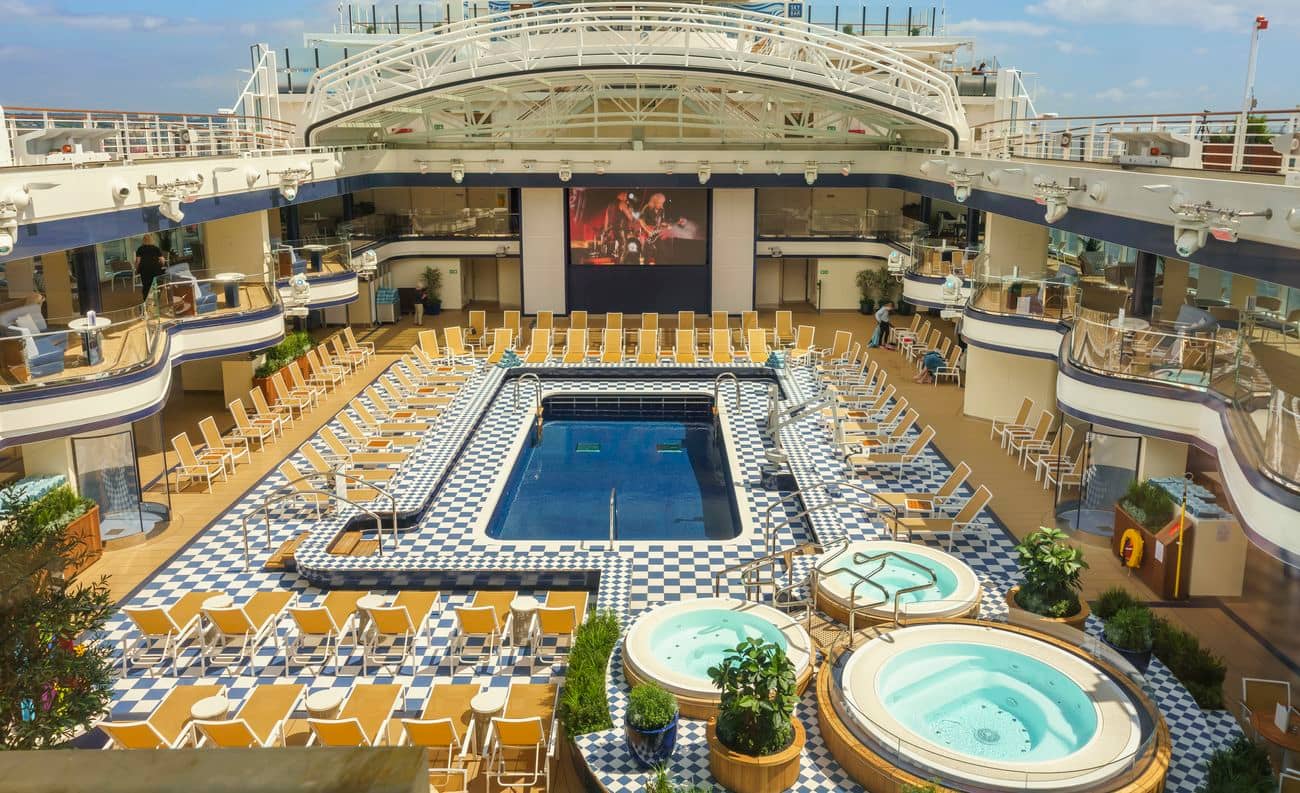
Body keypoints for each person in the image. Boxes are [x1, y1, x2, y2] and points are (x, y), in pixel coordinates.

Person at [135, 234, 165, 301]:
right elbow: (162, 260)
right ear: (152, 240)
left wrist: (137, 270)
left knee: (146, 285)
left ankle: (146, 299)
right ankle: (156, 299)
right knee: (157, 284)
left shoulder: (140, 249)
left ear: (143, 240)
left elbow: (138, 261)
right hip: (155, 269)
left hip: (144, 269)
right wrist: (161, 265)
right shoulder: (155, 248)